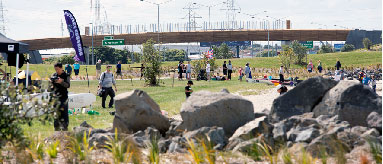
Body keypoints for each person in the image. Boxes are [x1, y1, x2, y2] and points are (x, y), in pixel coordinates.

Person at [50, 63, 70, 131]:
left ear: (61, 68)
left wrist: (61, 82)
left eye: (58, 69)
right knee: (56, 113)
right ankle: (56, 128)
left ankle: (65, 128)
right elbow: (51, 87)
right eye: (55, 69)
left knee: (64, 113)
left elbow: (68, 85)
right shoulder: (54, 75)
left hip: (64, 97)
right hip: (56, 97)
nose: (57, 71)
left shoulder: (66, 75)